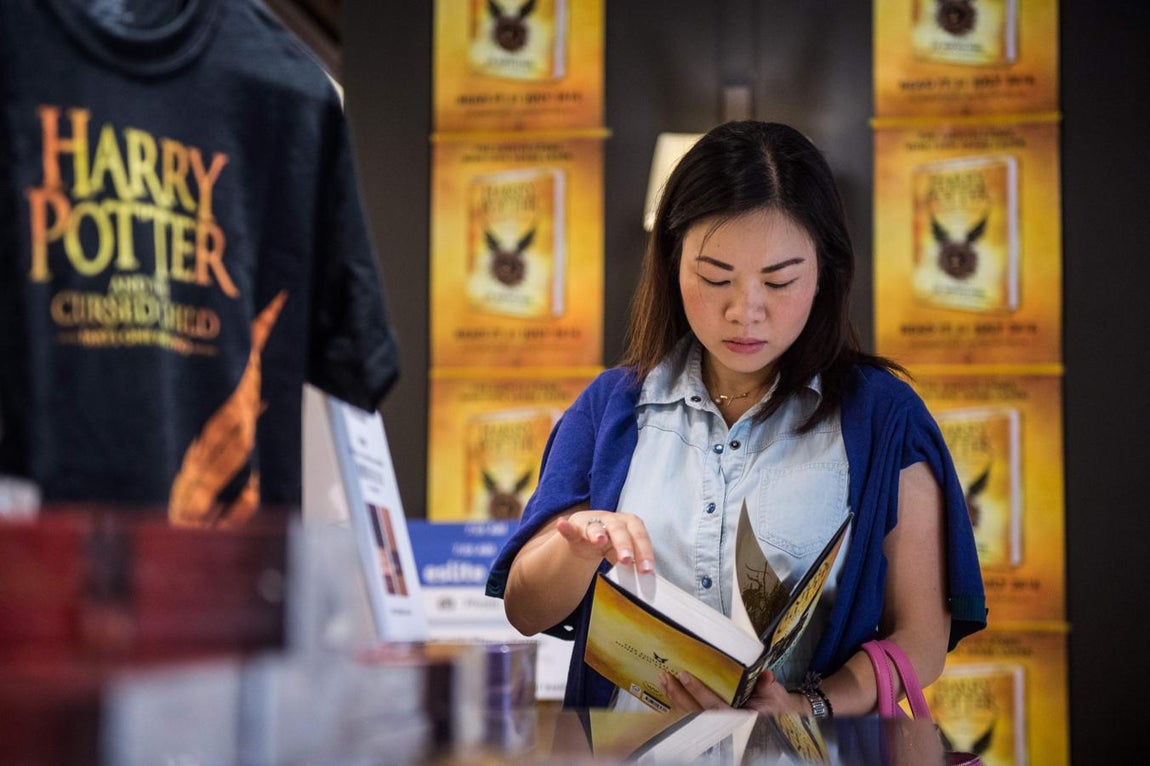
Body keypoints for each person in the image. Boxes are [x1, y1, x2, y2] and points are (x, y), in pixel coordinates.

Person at [485, 121, 986, 716]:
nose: (744, 311)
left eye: (780, 281)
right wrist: (578, 547)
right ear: (673, 262)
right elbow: (525, 608)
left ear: (824, 272)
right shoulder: (611, 407)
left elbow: (922, 640)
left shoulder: (883, 419)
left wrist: (809, 706)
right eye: (714, 277)